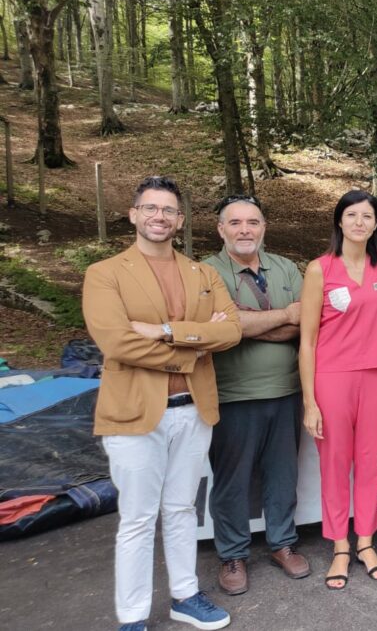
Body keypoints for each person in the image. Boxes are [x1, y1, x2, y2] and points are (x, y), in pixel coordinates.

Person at [82, 176, 241, 631]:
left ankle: (185, 595)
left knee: (181, 510)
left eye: (168, 210)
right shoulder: (106, 273)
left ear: (180, 220)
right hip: (134, 414)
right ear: (133, 214)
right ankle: (131, 618)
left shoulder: (203, 273)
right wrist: (195, 343)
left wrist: (167, 331)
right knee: (136, 519)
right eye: (150, 208)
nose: (159, 217)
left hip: (194, 411)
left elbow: (230, 330)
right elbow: (118, 344)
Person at [203, 195, 310, 595]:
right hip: (233, 394)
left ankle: (282, 543)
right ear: (221, 229)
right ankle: (233, 554)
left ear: (264, 227)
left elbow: (307, 323)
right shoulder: (206, 272)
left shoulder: (284, 268)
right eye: (235, 223)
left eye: (252, 222)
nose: (244, 230)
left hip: (286, 391)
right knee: (232, 480)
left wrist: (244, 323)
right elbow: (224, 330)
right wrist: (283, 315)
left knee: (283, 474)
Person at [298, 190, 377, 589]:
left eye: (367, 216)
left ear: (376, 224)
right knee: (336, 462)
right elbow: (306, 341)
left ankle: (366, 542)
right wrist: (310, 401)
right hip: (332, 377)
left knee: (372, 461)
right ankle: (340, 545)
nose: (360, 222)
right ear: (339, 222)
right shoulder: (319, 269)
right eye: (352, 215)